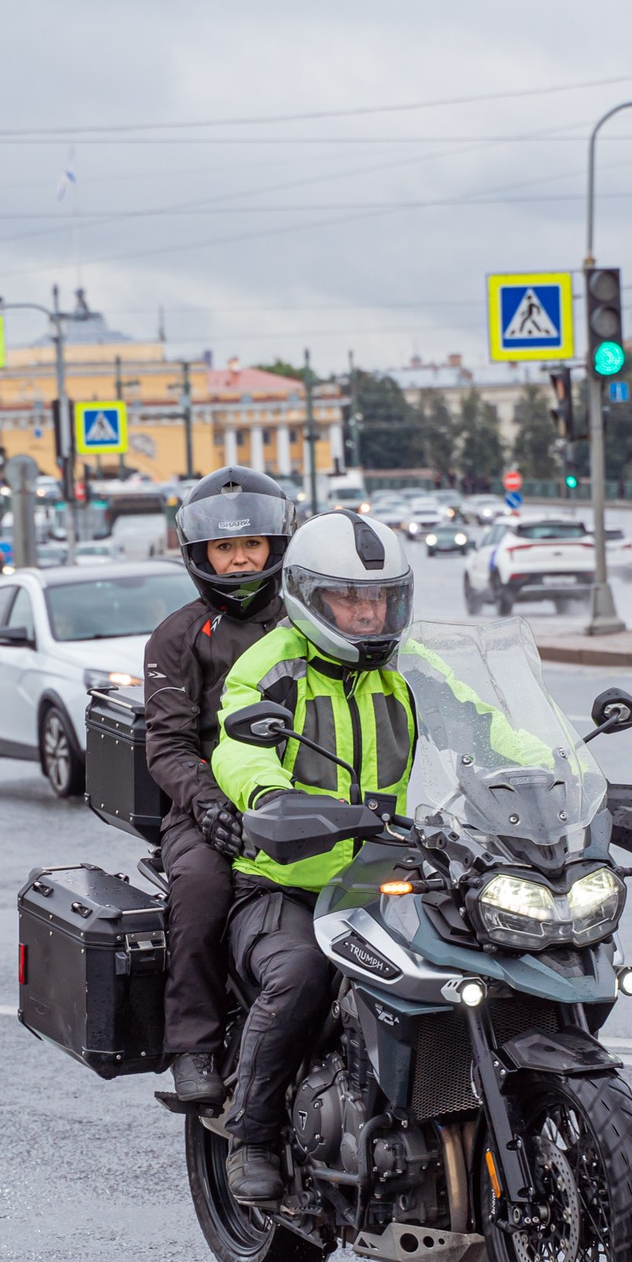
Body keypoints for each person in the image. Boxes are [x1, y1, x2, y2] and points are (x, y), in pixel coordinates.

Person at [208, 511, 420, 1201]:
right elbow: (239, 747)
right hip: (285, 884)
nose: (367, 613)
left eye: (379, 598)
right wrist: (268, 795)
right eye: (349, 598)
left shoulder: (406, 669)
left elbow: (490, 723)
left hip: (389, 877)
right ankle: (252, 1132)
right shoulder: (270, 667)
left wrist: (556, 770)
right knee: (298, 974)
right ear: (307, 595)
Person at [141, 466, 300, 1108]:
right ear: (201, 553)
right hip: (203, 805)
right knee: (203, 885)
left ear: (275, 546)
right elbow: (168, 744)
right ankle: (195, 1046)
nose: (239, 561)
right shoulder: (179, 636)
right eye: (225, 549)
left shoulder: (307, 619)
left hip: (306, 794)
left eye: (251, 546)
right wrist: (207, 804)